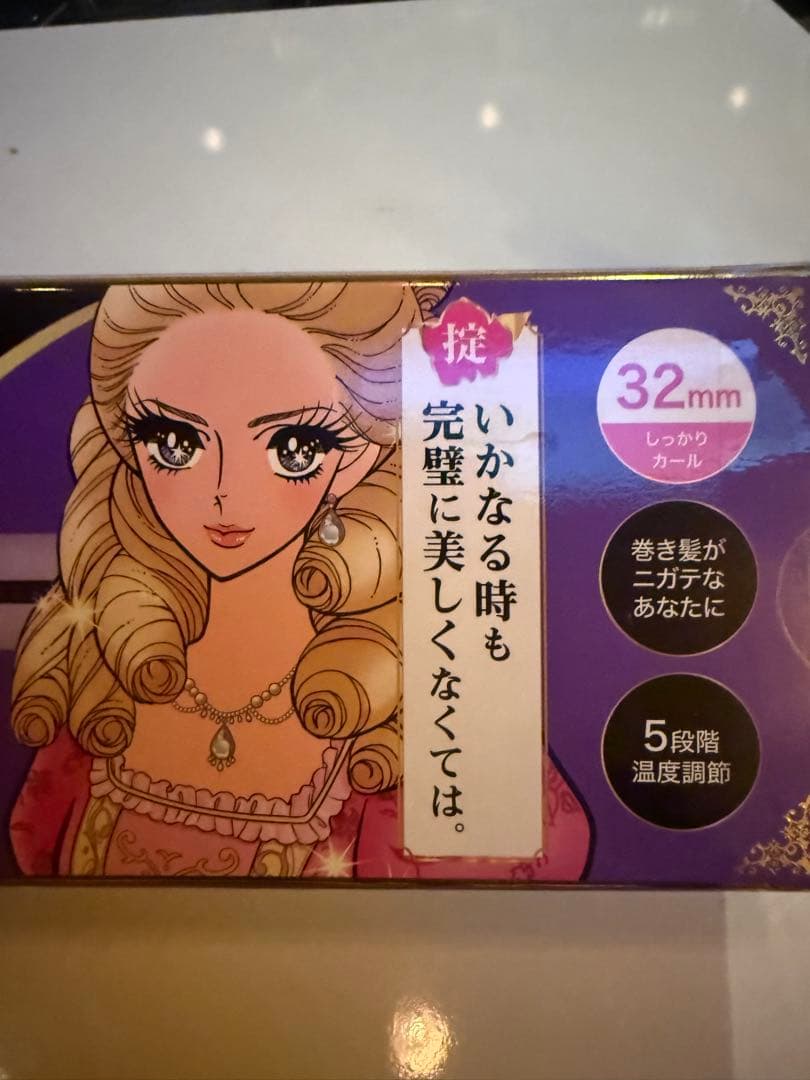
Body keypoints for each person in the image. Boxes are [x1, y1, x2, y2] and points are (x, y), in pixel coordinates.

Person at [10, 281, 591, 880]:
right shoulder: (102, 678)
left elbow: (515, 879)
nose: (224, 493)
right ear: (125, 442)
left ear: (361, 454)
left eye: (294, 448)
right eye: (174, 443)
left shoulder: (419, 705)